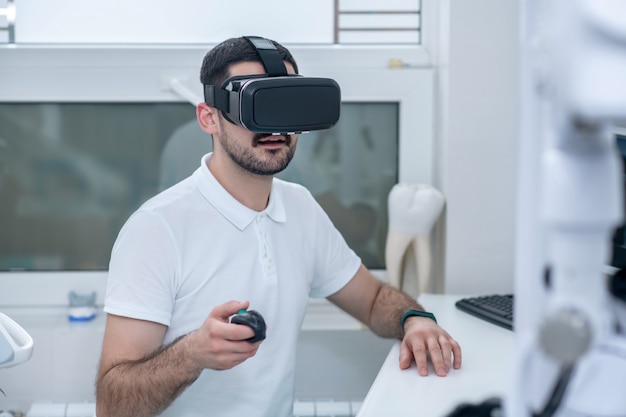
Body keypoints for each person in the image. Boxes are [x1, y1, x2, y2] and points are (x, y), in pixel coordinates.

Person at [95, 36, 462, 417]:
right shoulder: (156, 230)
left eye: (284, 106)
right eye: (256, 106)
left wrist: (413, 320)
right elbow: (111, 406)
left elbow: (371, 301)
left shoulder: (300, 207)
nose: (274, 128)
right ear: (209, 117)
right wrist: (192, 354)